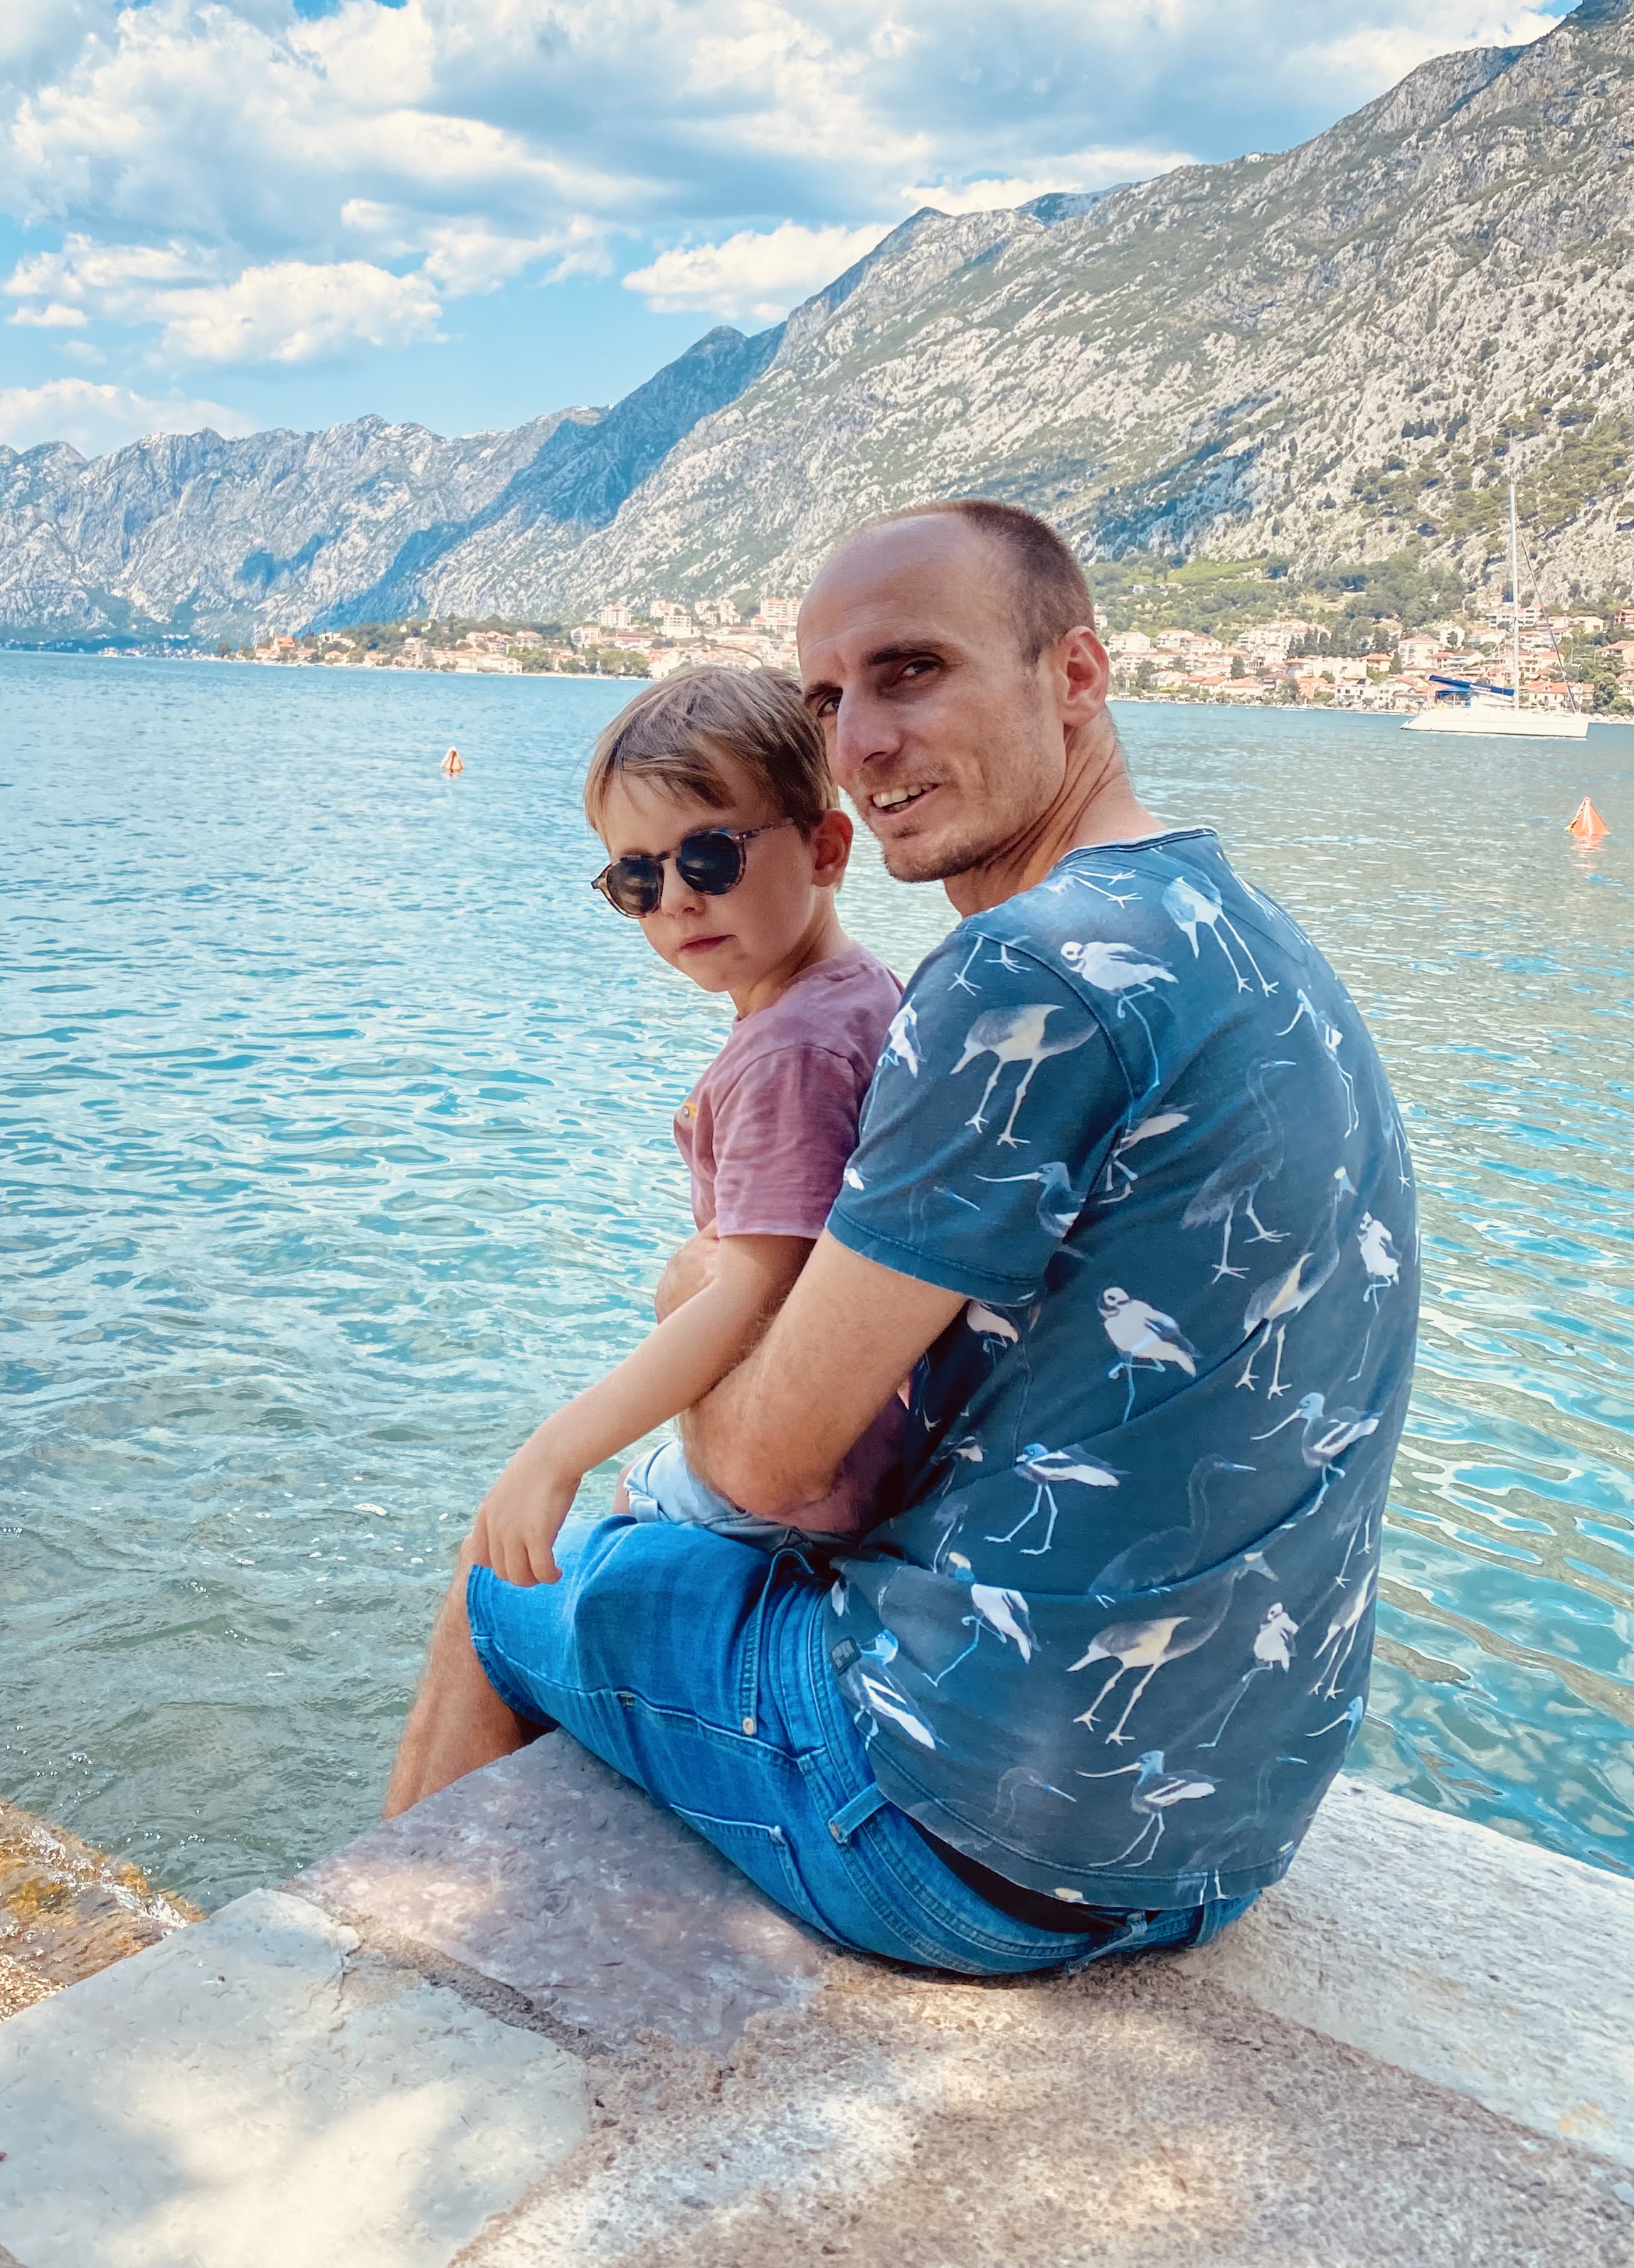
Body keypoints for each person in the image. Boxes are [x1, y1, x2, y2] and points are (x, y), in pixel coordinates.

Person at [386, 499, 1418, 1979]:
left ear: (1077, 676)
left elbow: (767, 1461)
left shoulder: (1026, 976)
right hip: (1223, 1829)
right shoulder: (1230, 918)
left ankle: (378, 2006)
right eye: (827, 697)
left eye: (913, 671)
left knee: (507, 1591)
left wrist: (693, 1295)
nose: (859, 743)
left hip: (979, 1831)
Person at [469, 667, 906, 1592]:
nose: (673, 899)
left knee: (503, 1588)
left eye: (709, 856)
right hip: (868, 1447)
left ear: (828, 850)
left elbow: (751, 1290)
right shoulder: (855, 993)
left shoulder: (791, 1048)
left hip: (804, 1490)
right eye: (636, 875)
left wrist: (554, 1451)